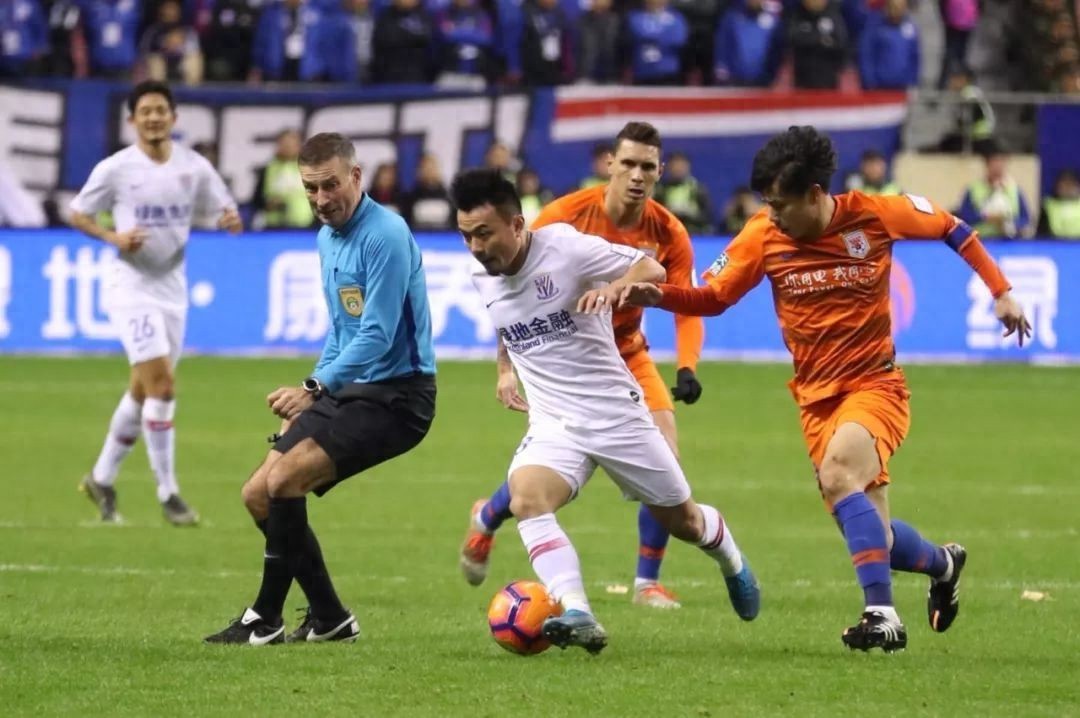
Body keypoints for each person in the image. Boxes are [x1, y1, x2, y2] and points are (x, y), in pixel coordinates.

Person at [620, 126, 1032, 652]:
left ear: (815, 194)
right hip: (815, 400)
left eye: (780, 204)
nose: (771, 215)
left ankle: (882, 615)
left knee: (839, 476)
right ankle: (944, 564)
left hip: (875, 384)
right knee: (876, 537)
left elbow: (953, 227)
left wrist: (1001, 291)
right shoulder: (762, 235)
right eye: (766, 204)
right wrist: (659, 296)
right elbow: (715, 298)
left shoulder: (875, 215)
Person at [453, 168, 759, 653]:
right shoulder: (481, 275)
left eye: (484, 234)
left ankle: (731, 559)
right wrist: (504, 369)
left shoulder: (565, 248)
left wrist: (618, 288)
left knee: (685, 523)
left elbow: (651, 269)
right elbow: (506, 320)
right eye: (466, 235)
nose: (475, 246)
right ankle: (578, 611)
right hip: (554, 422)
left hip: (615, 414)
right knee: (527, 498)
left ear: (516, 225)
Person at [460, 122, 707, 610]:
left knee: (667, 464)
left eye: (647, 167)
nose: (637, 175)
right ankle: (489, 516)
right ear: (609, 164)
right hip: (564, 357)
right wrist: (505, 368)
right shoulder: (565, 216)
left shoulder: (668, 231)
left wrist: (688, 365)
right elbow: (510, 295)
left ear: (660, 172)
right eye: (628, 163)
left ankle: (646, 583)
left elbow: (685, 301)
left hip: (628, 352)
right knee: (543, 469)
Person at [204, 133, 437, 645]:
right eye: (310, 188)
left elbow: (377, 333)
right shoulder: (327, 238)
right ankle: (330, 618)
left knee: (284, 480)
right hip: (350, 388)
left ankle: (265, 618)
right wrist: (315, 390)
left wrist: (314, 388)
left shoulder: (385, 234)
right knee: (257, 495)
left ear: (356, 176)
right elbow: (341, 329)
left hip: (399, 397)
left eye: (330, 185)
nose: (320, 199)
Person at [70, 80, 241, 526]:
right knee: (162, 387)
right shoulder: (116, 169)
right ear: (132, 120)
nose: (153, 117)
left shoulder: (193, 167)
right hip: (131, 287)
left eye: (160, 110)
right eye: (144, 111)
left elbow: (224, 207)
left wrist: (229, 217)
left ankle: (101, 478)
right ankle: (169, 494)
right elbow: (78, 213)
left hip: (173, 289)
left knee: (143, 389)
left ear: (173, 117)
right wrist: (113, 237)